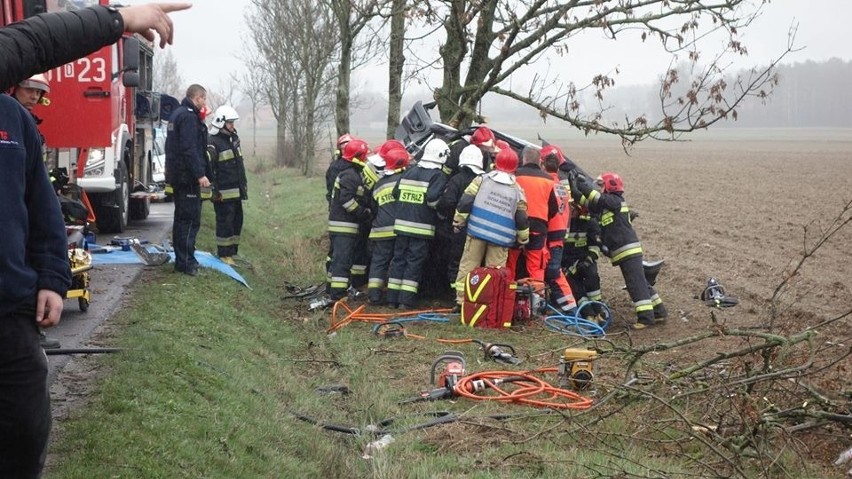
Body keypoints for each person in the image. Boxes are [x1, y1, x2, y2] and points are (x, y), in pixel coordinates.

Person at [0, 3, 191, 478]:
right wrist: (120, 18)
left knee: (24, 432)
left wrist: (50, 277)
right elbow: (32, 41)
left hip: (8, 315)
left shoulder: (12, 122)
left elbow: (40, 208)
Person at [572, 172, 668, 329]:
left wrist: (583, 184)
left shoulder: (615, 201)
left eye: (602, 185)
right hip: (624, 252)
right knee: (641, 282)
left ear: (610, 186)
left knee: (635, 283)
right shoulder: (605, 206)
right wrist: (573, 185)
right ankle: (659, 312)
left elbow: (596, 198)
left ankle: (646, 319)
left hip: (628, 251)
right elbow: (586, 201)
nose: (599, 188)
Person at [452, 147, 529, 311]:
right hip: (501, 239)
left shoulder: (481, 180)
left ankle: (461, 302)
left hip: (476, 231)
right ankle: (490, 305)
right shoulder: (517, 189)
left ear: (496, 163)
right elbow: (522, 218)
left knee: (469, 266)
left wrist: (458, 221)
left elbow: (465, 202)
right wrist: (523, 238)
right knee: (495, 272)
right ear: (515, 166)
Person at [386, 138, 450, 309]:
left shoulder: (409, 171)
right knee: (413, 262)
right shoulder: (438, 176)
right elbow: (432, 201)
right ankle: (405, 301)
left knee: (398, 260)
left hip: (400, 226)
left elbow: (395, 193)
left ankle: (392, 298)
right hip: (421, 229)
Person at [165, 84, 210, 276]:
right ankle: (186, 262)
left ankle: (183, 259)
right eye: (204, 99)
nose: (205, 103)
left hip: (178, 176)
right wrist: (200, 174)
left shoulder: (177, 114)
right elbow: (190, 149)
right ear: (197, 97)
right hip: (187, 178)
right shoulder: (189, 118)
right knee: (190, 221)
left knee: (182, 219)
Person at [436, 144, 485, 295]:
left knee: (457, 262)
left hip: (458, 229)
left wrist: (451, 216)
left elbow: (447, 202)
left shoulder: (456, 180)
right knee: (476, 262)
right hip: (478, 228)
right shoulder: (484, 180)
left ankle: (455, 296)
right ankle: (474, 293)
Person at [327, 139, 373, 301]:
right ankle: (338, 296)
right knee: (342, 262)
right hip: (344, 227)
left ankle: (332, 290)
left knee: (340, 260)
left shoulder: (351, 174)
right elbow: (347, 201)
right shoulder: (350, 176)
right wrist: (364, 213)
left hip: (343, 226)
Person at [366, 146, 410, 305]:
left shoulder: (379, 184)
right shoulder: (406, 180)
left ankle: (373, 296)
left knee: (379, 262)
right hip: (399, 229)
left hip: (379, 230)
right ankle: (394, 297)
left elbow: (373, 207)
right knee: (398, 261)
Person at [207, 105, 247, 265]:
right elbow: (210, 169)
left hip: (236, 192)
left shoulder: (233, 140)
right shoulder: (213, 143)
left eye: (233, 123)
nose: (233, 126)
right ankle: (224, 254)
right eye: (230, 123)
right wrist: (214, 192)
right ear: (220, 122)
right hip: (222, 194)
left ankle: (233, 252)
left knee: (237, 221)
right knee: (225, 223)